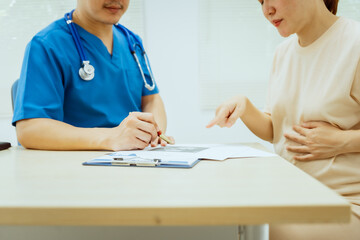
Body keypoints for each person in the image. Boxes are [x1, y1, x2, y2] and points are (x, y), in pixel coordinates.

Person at [207, 0, 360, 239]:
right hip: (291, 194)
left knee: (262, 231)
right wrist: (245, 106)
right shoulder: (283, 52)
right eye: (261, 2)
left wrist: (342, 140)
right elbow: (277, 129)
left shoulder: (355, 43)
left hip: (344, 202)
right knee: (223, 217)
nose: (267, 10)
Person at [12, 0, 174, 151]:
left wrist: (151, 133)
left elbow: (151, 99)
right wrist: (111, 137)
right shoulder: (47, 45)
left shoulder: (132, 42)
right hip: (74, 166)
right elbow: (30, 129)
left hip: (133, 159)